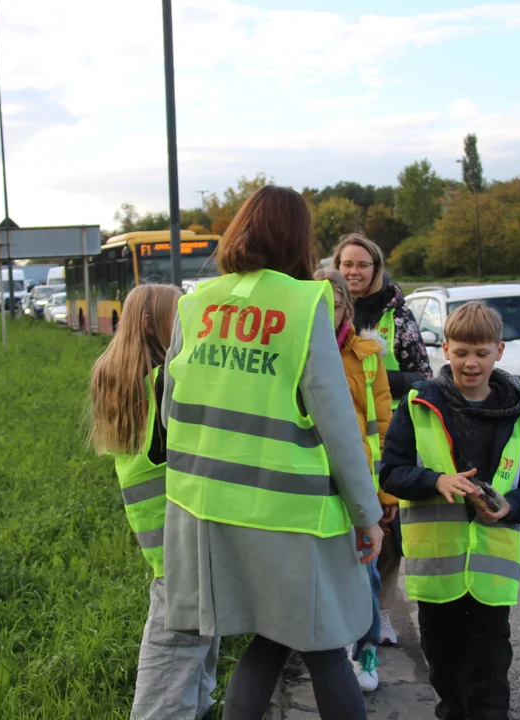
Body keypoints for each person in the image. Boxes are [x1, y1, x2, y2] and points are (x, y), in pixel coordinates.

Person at [162, 186, 385, 720]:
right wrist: (367, 515)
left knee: (268, 641)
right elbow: (337, 424)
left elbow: (172, 409)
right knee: (326, 643)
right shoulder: (305, 302)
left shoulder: (194, 305)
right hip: (292, 513)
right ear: (299, 238)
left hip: (209, 510)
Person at [379, 301, 520, 720]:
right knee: (445, 666)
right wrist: (436, 481)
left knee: (490, 671)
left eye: (481, 353)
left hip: (492, 573)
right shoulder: (420, 403)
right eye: (460, 353)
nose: (470, 364)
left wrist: (510, 507)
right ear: (446, 351)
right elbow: (390, 473)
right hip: (438, 572)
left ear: (499, 352)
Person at [88, 284, 220, 720]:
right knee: (168, 671)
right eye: (179, 315)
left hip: (159, 542)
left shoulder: (119, 377)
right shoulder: (167, 380)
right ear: (151, 324)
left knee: (192, 657)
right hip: (186, 541)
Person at [332, 233, 432, 645]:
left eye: (362, 265)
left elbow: (423, 377)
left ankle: (383, 612)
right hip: (339, 433)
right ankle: (343, 618)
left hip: (391, 431)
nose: (354, 272)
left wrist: (371, 374)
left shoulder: (397, 315)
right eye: (347, 264)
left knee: (387, 533)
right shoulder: (324, 307)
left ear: (376, 270)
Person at [313, 268, 392, 692]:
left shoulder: (366, 356)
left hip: (360, 482)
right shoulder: (299, 352)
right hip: (314, 482)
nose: (328, 313)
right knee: (323, 573)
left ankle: (365, 651)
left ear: (348, 306)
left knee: (367, 575)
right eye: (320, 305)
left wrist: (384, 493)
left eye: (337, 304)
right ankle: (333, 648)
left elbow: (383, 424)